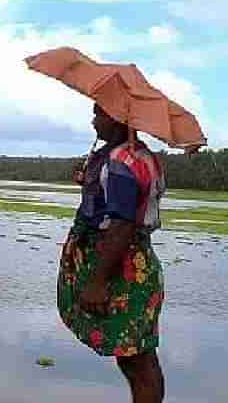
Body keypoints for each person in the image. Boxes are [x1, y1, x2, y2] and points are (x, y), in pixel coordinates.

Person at [57, 103, 167, 403]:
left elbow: (122, 224)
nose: (94, 122)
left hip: (121, 266)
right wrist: (91, 183)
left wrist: (97, 281)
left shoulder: (122, 161)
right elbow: (120, 204)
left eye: (99, 115)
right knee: (134, 354)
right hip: (129, 261)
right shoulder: (127, 156)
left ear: (119, 119)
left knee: (137, 358)